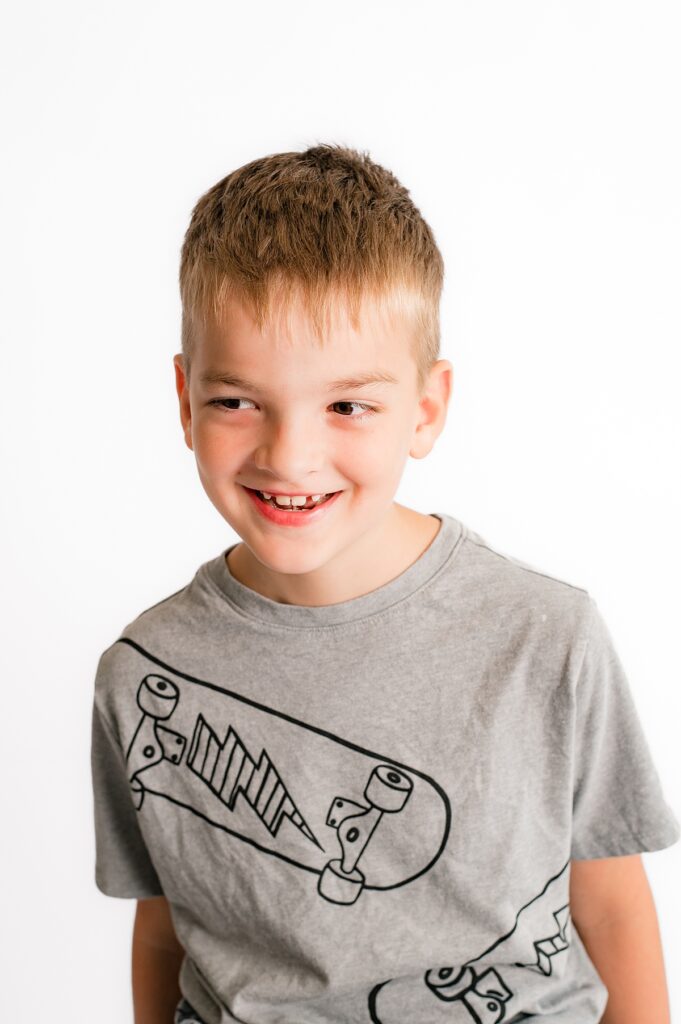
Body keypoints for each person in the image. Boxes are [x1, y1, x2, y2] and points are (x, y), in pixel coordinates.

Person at [90, 143, 679, 1024]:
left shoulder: (543, 638)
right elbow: (169, 927)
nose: (290, 454)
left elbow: (609, 903)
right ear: (184, 400)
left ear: (426, 409)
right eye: (236, 401)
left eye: (346, 405)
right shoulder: (144, 672)